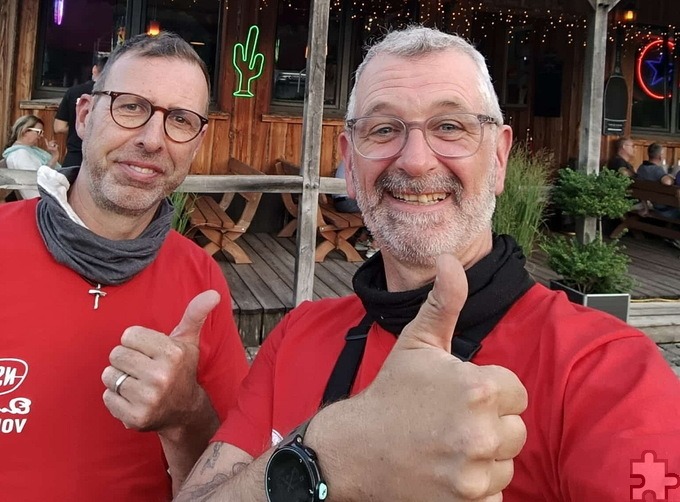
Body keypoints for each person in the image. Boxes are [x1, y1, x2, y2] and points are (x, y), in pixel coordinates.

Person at [177, 26, 677, 501]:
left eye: (450, 126)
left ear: (499, 158)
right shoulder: (296, 336)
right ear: (350, 165)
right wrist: (323, 456)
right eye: (384, 128)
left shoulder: (605, 369)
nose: (415, 160)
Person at [0, 32, 249, 501]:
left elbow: (229, 479)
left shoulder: (201, 281)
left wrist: (186, 414)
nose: (152, 140)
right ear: (85, 115)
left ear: (196, 142)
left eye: (179, 119)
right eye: (131, 106)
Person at [54, 56, 108, 166]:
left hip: (75, 156)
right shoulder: (115, 95)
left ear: (94, 69)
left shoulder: (74, 91)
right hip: (103, 158)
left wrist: (80, 126)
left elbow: (59, 127)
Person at [2, 114, 60, 198]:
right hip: (43, 200)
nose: (41, 136)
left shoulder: (28, 151)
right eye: (39, 132)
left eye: (42, 132)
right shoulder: (20, 154)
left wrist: (54, 156)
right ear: (25, 131)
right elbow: (37, 182)